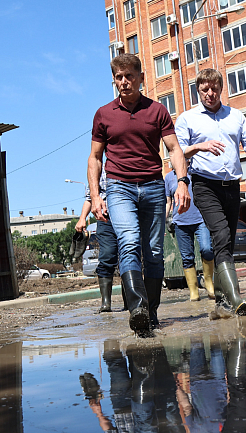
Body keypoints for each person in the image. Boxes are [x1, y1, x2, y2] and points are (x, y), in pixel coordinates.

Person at [89, 53, 190, 337]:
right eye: (118, 77)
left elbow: (174, 149)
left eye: (129, 76)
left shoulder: (157, 111)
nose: (123, 82)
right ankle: (137, 310)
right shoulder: (103, 114)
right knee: (129, 241)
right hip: (119, 186)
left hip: (153, 187)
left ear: (141, 78)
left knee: (154, 252)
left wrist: (182, 182)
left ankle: (152, 314)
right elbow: (95, 158)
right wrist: (96, 196)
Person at [174, 68, 246, 317]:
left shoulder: (235, 116)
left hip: (232, 186)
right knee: (221, 233)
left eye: (214, 88)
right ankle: (236, 298)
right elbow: (177, 153)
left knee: (226, 242)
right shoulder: (188, 118)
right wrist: (200, 146)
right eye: (205, 89)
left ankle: (222, 302)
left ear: (221, 88)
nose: (210, 93)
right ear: (198, 91)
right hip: (205, 185)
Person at [165, 166, 215, 302]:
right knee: (187, 257)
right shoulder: (169, 177)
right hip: (180, 222)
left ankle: (209, 283)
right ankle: (194, 291)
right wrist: (166, 219)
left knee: (207, 249)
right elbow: (168, 201)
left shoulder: (196, 172)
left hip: (200, 219)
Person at [75, 158, 119, 313]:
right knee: (107, 256)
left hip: (127, 216)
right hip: (105, 218)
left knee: (129, 255)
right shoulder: (98, 171)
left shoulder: (126, 164)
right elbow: (89, 198)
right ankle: (106, 303)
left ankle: (131, 302)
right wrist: (82, 219)